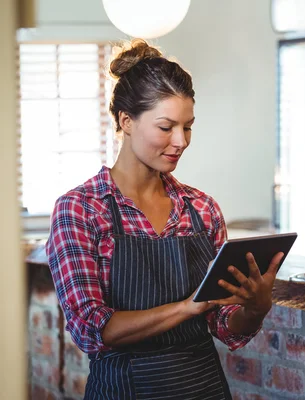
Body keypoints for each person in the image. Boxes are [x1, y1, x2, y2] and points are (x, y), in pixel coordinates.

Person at [46, 38, 284, 400]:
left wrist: (255, 309)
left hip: (202, 386)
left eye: (187, 127)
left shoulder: (201, 209)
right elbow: (91, 328)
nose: (180, 140)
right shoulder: (80, 209)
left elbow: (224, 324)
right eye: (165, 126)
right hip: (122, 389)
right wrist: (188, 306)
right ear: (126, 120)